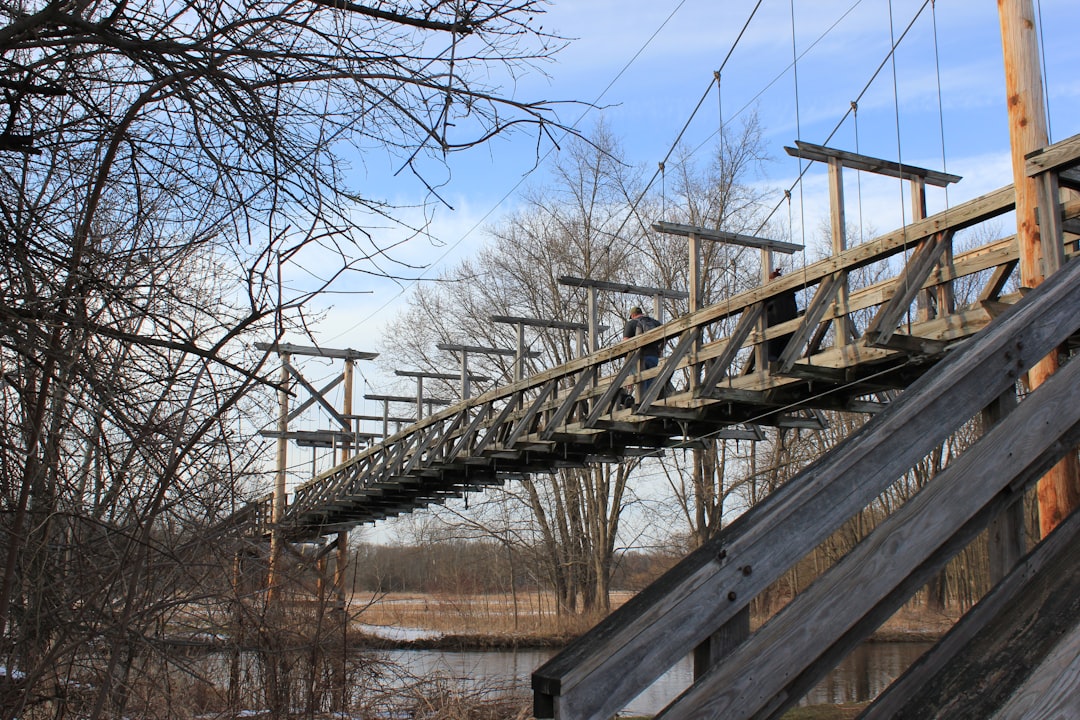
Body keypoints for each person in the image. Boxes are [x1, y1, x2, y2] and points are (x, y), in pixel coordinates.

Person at [622, 306, 664, 403]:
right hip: (653, 357)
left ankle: (641, 404)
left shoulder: (631, 323)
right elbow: (664, 336)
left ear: (632, 315)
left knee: (639, 382)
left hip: (638, 358)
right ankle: (649, 402)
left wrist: (628, 375)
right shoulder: (655, 323)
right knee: (649, 381)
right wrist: (659, 350)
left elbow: (625, 344)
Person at [765, 268, 799, 363]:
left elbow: (766, 308)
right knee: (783, 355)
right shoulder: (790, 295)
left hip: (774, 329)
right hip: (789, 329)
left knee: (772, 356)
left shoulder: (774, 293)